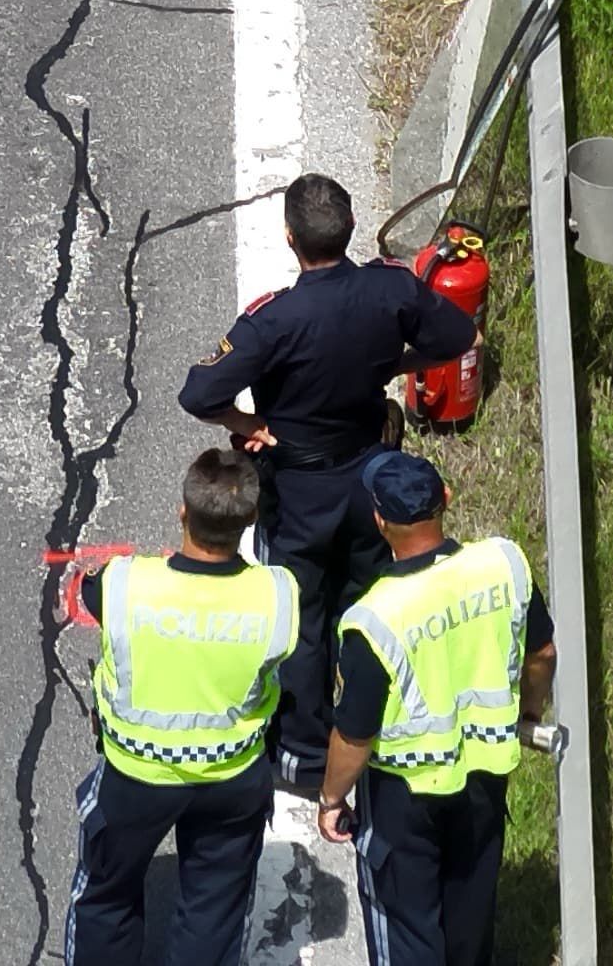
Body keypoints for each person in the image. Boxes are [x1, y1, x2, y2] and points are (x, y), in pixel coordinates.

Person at [176, 172, 479, 792]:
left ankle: (304, 752)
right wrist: (392, 362)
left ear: (291, 239)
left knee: (303, 619)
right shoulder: (388, 290)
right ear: (349, 232)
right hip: (369, 478)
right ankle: (363, 725)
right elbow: (459, 335)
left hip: (301, 491)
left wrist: (246, 421)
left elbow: (198, 392)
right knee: (362, 604)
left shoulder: (273, 321)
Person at [315, 450, 556, 966]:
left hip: (405, 799)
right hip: (484, 779)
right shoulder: (504, 564)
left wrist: (331, 798)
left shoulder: (373, 619)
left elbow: (354, 738)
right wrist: (530, 714)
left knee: (405, 924)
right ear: (445, 499)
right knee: (470, 913)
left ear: (380, 521)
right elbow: (543, 654)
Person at [61, 447, 298, 966]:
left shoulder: (125, 582)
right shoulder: (278, 593)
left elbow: (86, 592)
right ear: (249, 520)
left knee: (106, 895)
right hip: (232, 779)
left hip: (135, 776)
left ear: (183, 512)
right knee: (214, 912)